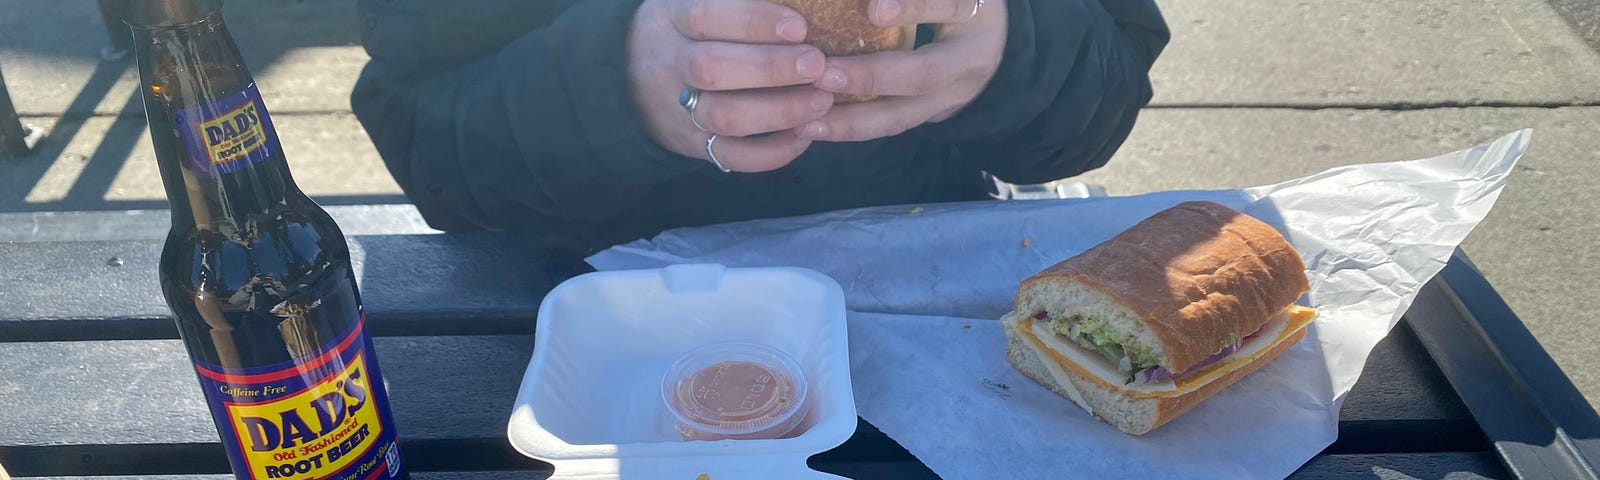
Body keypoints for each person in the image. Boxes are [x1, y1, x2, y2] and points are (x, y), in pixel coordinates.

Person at [351, 0, 1168, 264]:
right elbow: (424, 144)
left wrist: (1013, 50)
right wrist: (613, 90)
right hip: (577, 301)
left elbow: (1110, 83)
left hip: (921, 277)